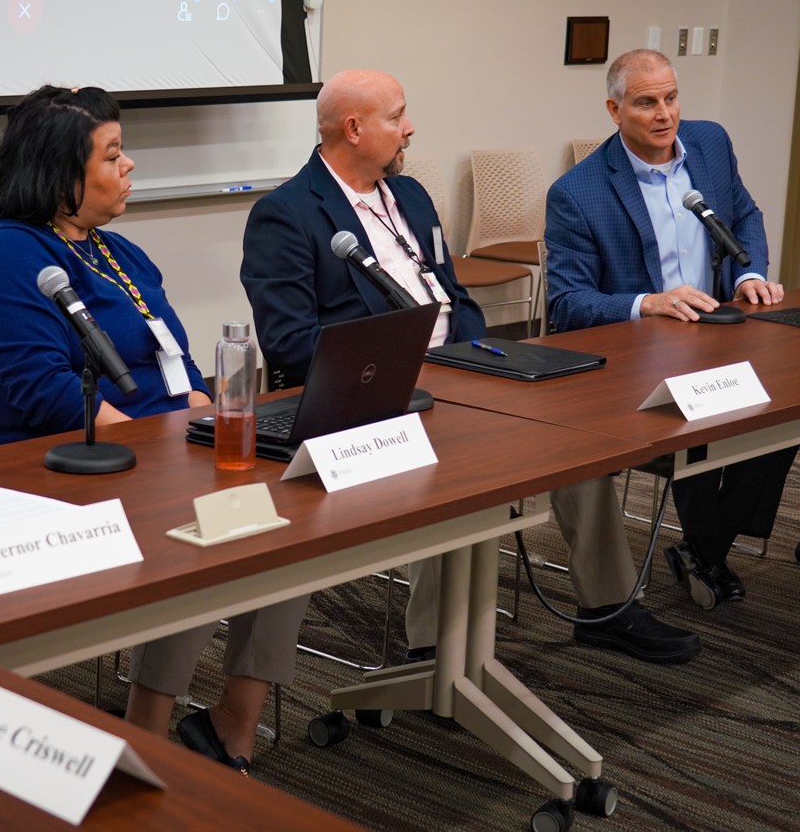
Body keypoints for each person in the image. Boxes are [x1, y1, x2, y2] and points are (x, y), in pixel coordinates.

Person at [242, 69, 700, 666]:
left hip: (459, 372)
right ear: (353, 129)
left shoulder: (407, 195)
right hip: (372, 396)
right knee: (452, 472)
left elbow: (456, 298)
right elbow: (287, 342)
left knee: (575, 439)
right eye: (396, 116)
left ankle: (607, 608)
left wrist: (478, 358)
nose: (410, 129)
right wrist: (402, 364)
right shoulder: (288, 212)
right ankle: (435, 653)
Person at [0, 85, 306, 773]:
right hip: (66, 467)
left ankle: (236, 722)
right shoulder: (4, 255)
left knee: (290, 517)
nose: (130, 166)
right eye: (113, 155)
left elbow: (182, 371)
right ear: (60, 172)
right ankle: (146, 725)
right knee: (211, 523)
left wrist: (214, 428)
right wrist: (175, 456)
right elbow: (50, 398)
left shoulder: (122, 254)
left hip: (167, 453)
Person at [546, 48, 799, 606]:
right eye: (645, 103)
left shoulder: (710, 144)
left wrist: (750, 270)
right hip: (638, 362)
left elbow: (745, 214)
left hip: (721, 337)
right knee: (703, 426)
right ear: (614, 110)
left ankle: (704, 549)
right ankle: (708, 554)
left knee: (788, 413)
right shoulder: (578, 193)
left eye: (671, 98)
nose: (664, 115)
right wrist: (648, 302)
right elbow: (568, 303)